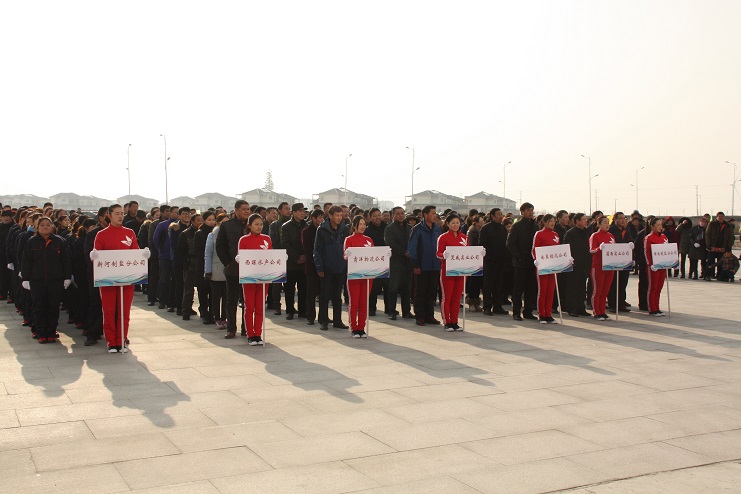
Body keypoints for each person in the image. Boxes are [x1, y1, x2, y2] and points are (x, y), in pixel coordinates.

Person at [90, 204, 150, 352]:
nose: (120, 216)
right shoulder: (101, 234)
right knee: (109, 310)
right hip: (107, 279)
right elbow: (97, 254)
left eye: (122, 213)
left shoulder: (129, 233)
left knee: (124, 311)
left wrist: (143, 255)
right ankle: (111, 342)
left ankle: (121, 339)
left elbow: (135, 252)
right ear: (109, 215)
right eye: (117, 213)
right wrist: (94, 256)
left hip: (127, 279)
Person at [22, 217, 72, 343]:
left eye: (48, 225)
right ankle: (40, 332)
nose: (45, 227)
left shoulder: (59, 241)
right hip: (37, 281)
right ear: (37, 227)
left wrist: (67, 277)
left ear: (52, 227)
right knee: (39, 307)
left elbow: (66, 261)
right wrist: (25, 278)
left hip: (55, 281)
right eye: (42, 225)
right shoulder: (31, 242)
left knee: (53, 307)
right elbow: (26, 262)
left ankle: (51, 332)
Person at [236, 214, 272, 346]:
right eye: (256, 224)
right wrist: (240, 259)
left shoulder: (266, 239)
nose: (259, 227)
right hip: (249, 277)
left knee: (260, 307)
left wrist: (279, 259)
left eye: (261, 224)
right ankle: (250, 334)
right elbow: (242, 255)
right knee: (249, 306)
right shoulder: (244, 240)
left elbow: (270, 256)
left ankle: (258, 333)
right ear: (249, 225)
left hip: (264, 277)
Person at [216, 200, 249, 339]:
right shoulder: (227, 226)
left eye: (248, 209)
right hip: (233, 269)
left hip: (250, 269)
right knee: (231, 300)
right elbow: (220, 246)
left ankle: (246, 328)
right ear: (236, 210)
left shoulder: (253, 224)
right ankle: (231, 329)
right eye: (244, 209)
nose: (247, 211)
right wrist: (228, 263)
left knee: (247, 301)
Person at [313, 206, 350, 331]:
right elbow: (317, 250)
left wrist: (346, 266)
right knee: (325, 296)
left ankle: (337, 320)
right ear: (330, 215)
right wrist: (319, 267)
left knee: (337, 297)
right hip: (327, 267)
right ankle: (323, 320)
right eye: (337, 215)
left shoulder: (345, 229)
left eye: (341, 215)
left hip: (340, 267)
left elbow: (347, 249)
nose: (339, 218)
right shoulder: (322, 229)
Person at [408, 205, 442, 326]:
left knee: (431, 292)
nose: (434, 215)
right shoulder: (417, 229)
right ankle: (420, 316)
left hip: (435, 265)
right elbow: (412, 249)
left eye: (435, 213)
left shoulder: (437, 229)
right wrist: (416, 265)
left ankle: (429, 315)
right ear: (425, 215)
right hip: (422, 266)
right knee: (420, 292)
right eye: (432, 213)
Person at [343, 215, 374, 337]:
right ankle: (354, 328)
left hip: (367, 276)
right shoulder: (349, 239)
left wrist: (385, 255)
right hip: (354, 276)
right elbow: (345, 255)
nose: (362, 226)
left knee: (364, 303)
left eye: (364, 224)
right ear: (354, 226)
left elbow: (373, 256)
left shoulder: (369, 240)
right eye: (360, 224)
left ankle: (361, 327)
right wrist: (348, 254)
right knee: (354, 303)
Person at [507, 203, 538, 321]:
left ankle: (528, 311)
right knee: (518, 289)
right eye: (528, 210)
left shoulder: (535, 226)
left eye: (532, 210)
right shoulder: (517, 226)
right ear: (522, 212)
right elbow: (510, 243)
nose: (531, 212)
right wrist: (518, 256)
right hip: (520, 263)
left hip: (532, 262)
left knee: (530, 288)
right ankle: (516, 312)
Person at [436, 213, 467, 331]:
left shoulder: (464, 237)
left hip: (460, 271)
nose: (456, 225)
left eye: (457, 223)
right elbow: (438, 254)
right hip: (447, 271)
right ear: (447, 224)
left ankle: (454, 322)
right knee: (447, 298)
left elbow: (468, 253)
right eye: (453, 223)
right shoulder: (443, 237)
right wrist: (444, 255)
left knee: (457, 298)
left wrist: (479, 254)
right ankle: (447, 322)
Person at [384, 207, 414, 321]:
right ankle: (392, 311)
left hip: (408, 263)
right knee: (393, 289)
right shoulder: (389, 228)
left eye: (402, 213)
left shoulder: (409, 228)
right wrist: (404, 252)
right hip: (395, 262)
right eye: (398, 214)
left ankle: (406, 311)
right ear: (393, 216)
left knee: (406, 289)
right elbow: (390, 243)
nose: (401, 215)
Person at [479, 208, 509, 316]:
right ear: (492, 216)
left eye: (501, 214)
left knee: (499, 285)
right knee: (488, 285)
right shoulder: (486, 228)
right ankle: (487, 307)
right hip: (490, 262)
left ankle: (497, 306)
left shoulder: (503, 228)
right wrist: (489, 256)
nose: (501, 216)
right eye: (498, 214)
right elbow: (482, 244)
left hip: (501, 262)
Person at [531, 214, 561, 324]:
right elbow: (534, 249)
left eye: (553, 221)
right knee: (543, 290)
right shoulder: (539, 234)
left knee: (550, 291)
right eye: (550, 221)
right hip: (543, 266)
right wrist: (536, 259)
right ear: (544, 222)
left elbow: (558, 250)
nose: (552, 223)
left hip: (553, 266)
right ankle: (542, 314)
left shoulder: (555, 235)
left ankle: (548, 314)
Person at [281, 203, 307, 320]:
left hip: (304, 263)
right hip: (291, 263)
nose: (302, 213)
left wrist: (305, 256)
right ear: (294, 212)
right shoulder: (286, 226)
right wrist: (297, 257)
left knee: (303, 289)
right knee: (289, 289)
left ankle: (303, 311)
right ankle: (290, 310)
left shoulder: (306, 225)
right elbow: (285, 244)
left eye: (303, 211)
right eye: (300, 211)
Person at [563, 213, 591, 317]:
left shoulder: (587, 232)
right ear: (577, 221)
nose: (585, 221)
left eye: (586, 219)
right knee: (572, 287)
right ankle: (572, 308)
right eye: (583, 219)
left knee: (582, 288)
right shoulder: (570, 233)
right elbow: (566, 248)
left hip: (584, 264)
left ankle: (581, 308)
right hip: (574, 265)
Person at [589, 216, 616, 321]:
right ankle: (597, 312)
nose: (607, 224)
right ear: (599, 224)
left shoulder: (611, 236)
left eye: (608, 222)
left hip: (609, 267)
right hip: (598, 267)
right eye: (604, 222)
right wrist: (599, 248)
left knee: (605, 290)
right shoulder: (595, 236)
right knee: (598, 290)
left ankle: (603, 311)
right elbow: (591, 250)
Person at [205, 213, 228, 329]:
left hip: (228, 269)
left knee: (227, 296)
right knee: (216, 296)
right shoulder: (212, 235)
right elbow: (208, 254)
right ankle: (217, 318)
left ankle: (224, 318)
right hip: (216, 269)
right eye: (223, 222)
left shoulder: (230, 235)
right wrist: (207, 270)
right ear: (218, 223)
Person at [177, 212, 202, 321]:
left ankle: (203, 310)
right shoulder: (185, 234)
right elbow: (180, 251)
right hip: (189, 264)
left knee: (202, 289)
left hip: (200, 264)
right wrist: (186, 261)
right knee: (188, 289)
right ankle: (186, 311)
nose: (200, 222)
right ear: (192, 221)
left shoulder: (204, 233)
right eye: (198, 220)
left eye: (201, 220)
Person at [301, 209, 324, 325]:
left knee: (324, 293)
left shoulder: (324, 230)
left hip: (324, 266)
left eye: (322, 218)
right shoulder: (306, 231)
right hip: (311, 265)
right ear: (313, 218)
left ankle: (323, 316)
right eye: (319, 218)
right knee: (311, 293)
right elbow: (308, 249)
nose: (321, 220)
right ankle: (310, 316)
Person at [153, 206, 178, 310]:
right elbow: (156, 239)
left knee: (175, 280)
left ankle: (173, 301)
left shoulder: (179, 225)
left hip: (176, 257)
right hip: (165, 256)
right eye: (175, 212)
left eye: (178, 212)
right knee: (164, 279)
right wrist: (161, 250)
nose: (177, 214)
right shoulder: (162, 225)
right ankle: (162, 300)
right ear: (170, 213)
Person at [365, 208, 389, 317]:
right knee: (373, 287)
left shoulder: (387, 228)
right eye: (374, 216)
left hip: (386, 261)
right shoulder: (367, 230)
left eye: (379, 215)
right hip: (373, 262)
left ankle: (389, 308)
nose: (377, 217)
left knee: (387, 286)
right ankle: (371, 308)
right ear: (370, 217)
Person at [607, 212, 632, 313]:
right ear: (615, 219)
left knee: (623, 283)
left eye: (624, 218)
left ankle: (621, 302)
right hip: (614, 261)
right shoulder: (611, 231)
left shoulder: (626, 230)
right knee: (614, 284)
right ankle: (613, 304)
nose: (622, 220)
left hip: (625, 261)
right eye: (620, 218)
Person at [269, 202, 291, 315]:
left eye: (289, 209)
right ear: (280, 210)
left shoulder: (292, 223)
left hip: (290, 257)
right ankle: (276, 305)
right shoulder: (274, 225)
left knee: (289, 285)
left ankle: (290, 306)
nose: (288, 211)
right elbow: (274, 240)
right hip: (278, 256)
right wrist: (283, 250)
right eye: (286, 208)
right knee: (277, 284)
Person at [169, 207, 192, 315]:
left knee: (189, 285)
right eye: (184, 214)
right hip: (179, 259)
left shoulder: (193, 227)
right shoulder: (175, 227)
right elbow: (174, 245)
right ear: (179, 216)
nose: (186, 216)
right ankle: (179, 306)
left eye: (188, 213)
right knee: (179, 284)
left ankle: (188, 306)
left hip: (190, 260)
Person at [194, 211, 215, 324]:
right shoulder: (199, 233)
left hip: (214, 265)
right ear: (204, 220)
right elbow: (197, 251)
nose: (212, 222)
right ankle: (203, 311)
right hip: (202, 265)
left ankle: (212, 313)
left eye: (213, 220)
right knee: (202, 291)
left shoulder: (216, 233)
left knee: (213, 291)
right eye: (209, 220)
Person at [645, 217, 669, 316]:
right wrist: (650, 264)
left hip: (662, 266)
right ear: (652, 226)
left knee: (659, 287)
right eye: (658, 225)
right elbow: (646, 252)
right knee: (653, 287)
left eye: (661, 225)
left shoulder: (664, 237)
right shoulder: (649, 238)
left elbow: (668, 251)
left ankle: (657, 307)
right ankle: (652, 308)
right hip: (653, 267)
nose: (660, 227)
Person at [704, 212, 735, 281]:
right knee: (710, 261)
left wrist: (729, 246)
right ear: (717, 217)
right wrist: (708, 245)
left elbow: (731, 236)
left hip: (723, 246)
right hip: (713, 246)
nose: (721, 218)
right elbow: (707, 234)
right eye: (719, 216)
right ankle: (708, 275)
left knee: (721, 262)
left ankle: (720, 276)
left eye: (722, 216)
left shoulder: (727, 225)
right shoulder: (712, 224)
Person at [464, 214, 483, 312]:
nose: (483, 223)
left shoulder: (481, 230)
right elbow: (471, 245)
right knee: (472, 282)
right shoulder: (472, 231)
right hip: (473, 258)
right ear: (475, 222)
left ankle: (476, 301)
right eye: (481, 221)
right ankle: (471, 301)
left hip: (479, 258)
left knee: (477, 282)